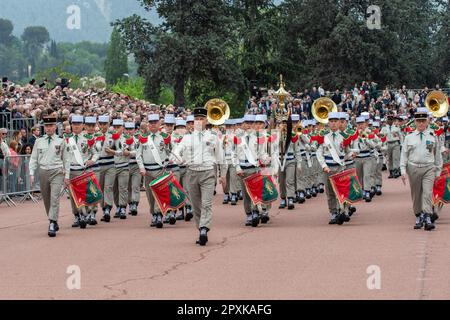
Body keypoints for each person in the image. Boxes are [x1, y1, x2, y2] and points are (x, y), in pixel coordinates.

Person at [171, 107, 227, 245]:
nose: (199, 121)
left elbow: (221, 156)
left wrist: (223, 175)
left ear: (206, 120)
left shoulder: (213, 137)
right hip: (192, 173)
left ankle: (204, 229)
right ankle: (200, 227)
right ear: (192, 122)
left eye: (201, 119)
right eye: (196, 119)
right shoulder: (187, 137)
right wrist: (176, 158)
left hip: (208, 172)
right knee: (196, 206)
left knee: (206, 203)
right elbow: (177, 150)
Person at [400, 108, 443, 231]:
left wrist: (438, 171)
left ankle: (427, 217)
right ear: (415, 122)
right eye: (418, 121)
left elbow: (437, 155)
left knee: (427, 193)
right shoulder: (409, 137)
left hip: (429, 168)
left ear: (427, 121)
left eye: (423, 121)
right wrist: (403, 170)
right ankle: (418, 215)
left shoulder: (433, 136)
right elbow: (404, 154)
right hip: (413, 168)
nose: (421, 123)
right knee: (416, 194)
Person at [29, 116, 67, 237]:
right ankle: (53, 219)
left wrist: (67, 175)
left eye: (51, 126)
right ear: (44, 128)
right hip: (43, 171)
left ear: (55, 127)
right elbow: (34, 158)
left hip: (57, 171)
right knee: (46, 199)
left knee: (54, 197)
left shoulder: (61, 141)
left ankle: (52, 222)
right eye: (47, 126)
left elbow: (66, 159)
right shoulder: (39, 141)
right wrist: (31, 172)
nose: (49, 128)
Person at [136, 114, 171, 228]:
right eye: (151, 123)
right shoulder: (143, 137)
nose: (153, 125)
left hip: (160, 170)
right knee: (150, 195)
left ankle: (159, 214)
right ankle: (153, 213)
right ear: (148, 124)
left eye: (155, 122)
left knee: (159, 192)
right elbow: (138, 155)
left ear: (159, 124)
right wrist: (141, 167)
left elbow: (171, 151)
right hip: (147, 171)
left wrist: (168, 162)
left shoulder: (165, 137)